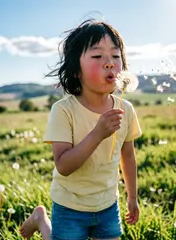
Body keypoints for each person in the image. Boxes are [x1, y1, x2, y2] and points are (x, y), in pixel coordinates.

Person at [20, 18, 142, 240]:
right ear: (76, 70)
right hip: (70, 206)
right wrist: (97, 134)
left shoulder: (126, 109)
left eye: (115, 56)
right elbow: (64, 166)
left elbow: (128, 155)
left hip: (107, 204)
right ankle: (41, 220)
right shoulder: (63, 110)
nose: (109, 63)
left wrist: (132, 197)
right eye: (97, 56)